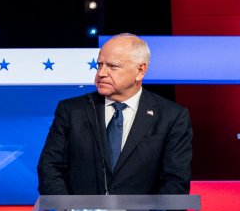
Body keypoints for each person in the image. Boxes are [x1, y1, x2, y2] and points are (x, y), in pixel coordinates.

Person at [37, 33, 193, 196]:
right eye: (99, 65)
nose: (101, 73)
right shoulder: (71, 110)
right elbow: (50, 168)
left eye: (112, 66)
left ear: (140, 71)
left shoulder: (172, 116)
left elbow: (175, 182)